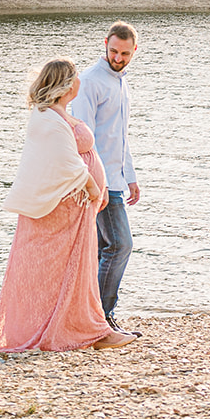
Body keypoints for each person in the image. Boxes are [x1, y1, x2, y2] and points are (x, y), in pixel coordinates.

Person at [0, 59, 135, 354]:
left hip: (76, 206)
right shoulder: (46, 117)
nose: (79, 82)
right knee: (58, 268)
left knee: (77, 267)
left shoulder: (59, 114)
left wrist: (103, 188)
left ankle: (86, 326)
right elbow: (66, 162)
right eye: (74, 77)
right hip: (64, 207)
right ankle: (77, 329)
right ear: (65, 84)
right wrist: (96, 188)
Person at [69, 21, 142, 336]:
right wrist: (93, 184)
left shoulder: (122, 83)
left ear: (134, 51)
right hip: (100, 182)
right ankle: (102, 316)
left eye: (125, 53)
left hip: (116, 178)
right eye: (114, 51)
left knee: (102, 251)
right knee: (120, 246)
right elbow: (83, 137)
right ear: (105, 44)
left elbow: (119, 137)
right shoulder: (89, 81)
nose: (119, 57)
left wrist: (131, 177)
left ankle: (92, 319)